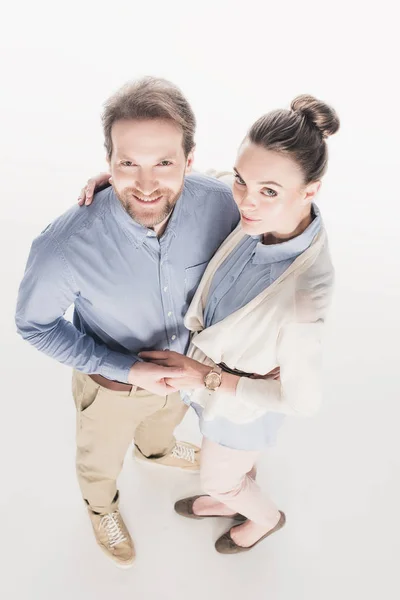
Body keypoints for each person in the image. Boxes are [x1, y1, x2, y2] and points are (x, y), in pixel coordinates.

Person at [15, 77, 240, 568]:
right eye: (128, 163)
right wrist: (125, 369)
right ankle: (100, 508)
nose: (145, 184)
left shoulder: (220, 202)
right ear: (108, 162)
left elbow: (261, 195)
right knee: (99, 462)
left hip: (184, 377)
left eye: (163, 162)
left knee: (162, 427)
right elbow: (34, 325)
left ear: (189, 158)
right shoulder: (64, 246)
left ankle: (156, 453)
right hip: (110, 389)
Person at [130, 94, 339, 554]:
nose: (244, 200)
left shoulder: (304, 299)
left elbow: (302, 402)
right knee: (229, 466)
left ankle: (262, 517)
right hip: (212, 384)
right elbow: (212, 181)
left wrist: (206, 377)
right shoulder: (254, 210)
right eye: (244, 180)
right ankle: (232, 492)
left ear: (310, 190)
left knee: (217, 475)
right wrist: (121, 182)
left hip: (240, 409)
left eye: (269, 190)